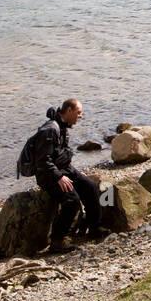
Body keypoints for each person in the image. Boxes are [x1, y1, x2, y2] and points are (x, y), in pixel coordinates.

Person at [28, 98, 103, 253]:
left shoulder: (62, 127)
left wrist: (74, 172)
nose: (80, 116)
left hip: (64, 170)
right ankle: (57, 241)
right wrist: (58, 177)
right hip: (48, 175)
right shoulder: (50, 129)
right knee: (72, 200)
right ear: (69, 111)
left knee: (90, 187)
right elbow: (43, 161)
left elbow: (60, 156)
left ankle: (93, 229)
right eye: (78, 112)